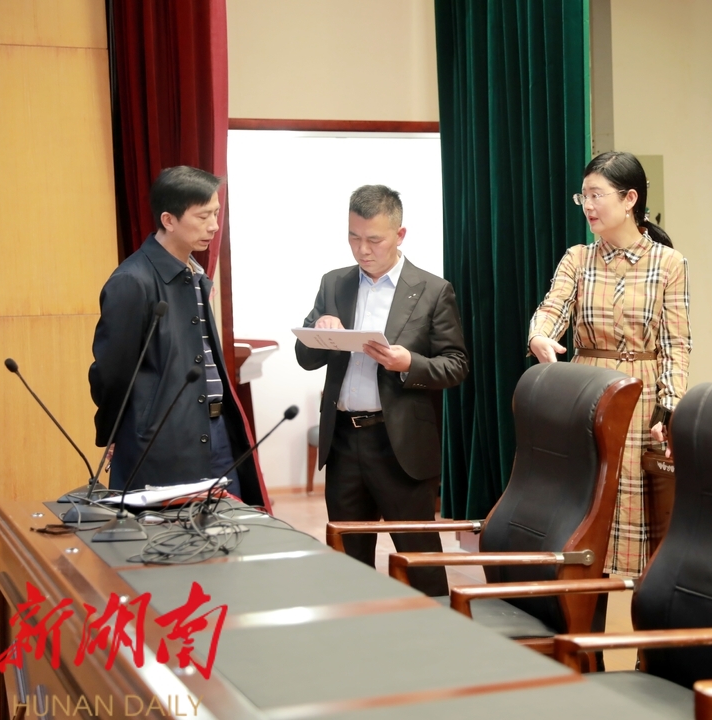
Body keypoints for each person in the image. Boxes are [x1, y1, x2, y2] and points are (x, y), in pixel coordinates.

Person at [296, 185, 468, 596]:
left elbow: (456, 365)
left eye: (374, 239)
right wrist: (319, 331)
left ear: (400, 234)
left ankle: (436, 626)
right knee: (347, 558)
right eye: (353, 237)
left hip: (400, 445)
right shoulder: (334, 283)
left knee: (419, 559)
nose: (362, 249)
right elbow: (306, 357)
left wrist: (409, 364)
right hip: (343, 440)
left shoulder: (432, 290)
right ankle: (356, 628)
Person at [528, 151, 692, 577]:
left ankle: (631, 607)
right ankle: (579, 602)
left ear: (629, 199)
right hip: (586, 393)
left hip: (641, 397)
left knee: (632, 506)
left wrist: (670, 407)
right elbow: (552, 309)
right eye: (583, 196)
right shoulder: (577, 258)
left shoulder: (668, 263)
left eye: (596, 195)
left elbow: (676, 345)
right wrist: (539, 336)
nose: (588, 205)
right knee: (584, 501)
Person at [89, 166, 260, 502]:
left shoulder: (193, 274)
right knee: (169, 531)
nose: (214, 225)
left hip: (216, 430)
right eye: (202, 216)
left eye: (216, 213)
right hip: (162, 441)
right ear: (168, 220)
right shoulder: (132, 280)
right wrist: (115, 432)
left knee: (231, 525)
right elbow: (111, 373)